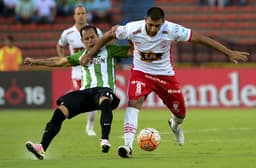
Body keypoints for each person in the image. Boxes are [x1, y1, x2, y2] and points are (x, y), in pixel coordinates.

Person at [80, 7, 249, 158]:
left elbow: (199, 38)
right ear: (146, 21)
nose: (153, 29)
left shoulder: (172, 29)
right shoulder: (133, 28)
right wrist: (91, 53)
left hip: (165, 76)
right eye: (151, 25)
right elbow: (109, 34)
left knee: (181, 114)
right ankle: (128, 146)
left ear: (163, 23)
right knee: (134, 102)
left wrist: (228, 52)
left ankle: (174, 125)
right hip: (141, 73)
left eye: (157, 26)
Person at [24, 25, 131, 160]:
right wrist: (36, 62)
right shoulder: (80, 55)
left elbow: (132, 51)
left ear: (98, 37)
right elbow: (59, 61)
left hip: (103, 89)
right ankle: (41, 147)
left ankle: (104, 139)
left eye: (93, 37)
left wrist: (132, 37)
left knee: (104, 100)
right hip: (85, 93)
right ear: (82, 41)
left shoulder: (110, 50)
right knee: (60, 112)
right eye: (87, 38)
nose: (90, 40)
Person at [56, 5, 102, 136]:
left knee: (92, 98)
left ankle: (90, 126)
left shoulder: (95, 31)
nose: (81, 15)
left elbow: (104, 44)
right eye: (78, 13)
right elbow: (60, 45)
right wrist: (63, 59)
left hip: (93, 70)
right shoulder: (68, 33)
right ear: (74, 16)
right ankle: (70, 100)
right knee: (87, 98)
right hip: (77, 72)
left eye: (83, 13)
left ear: (87, 15)